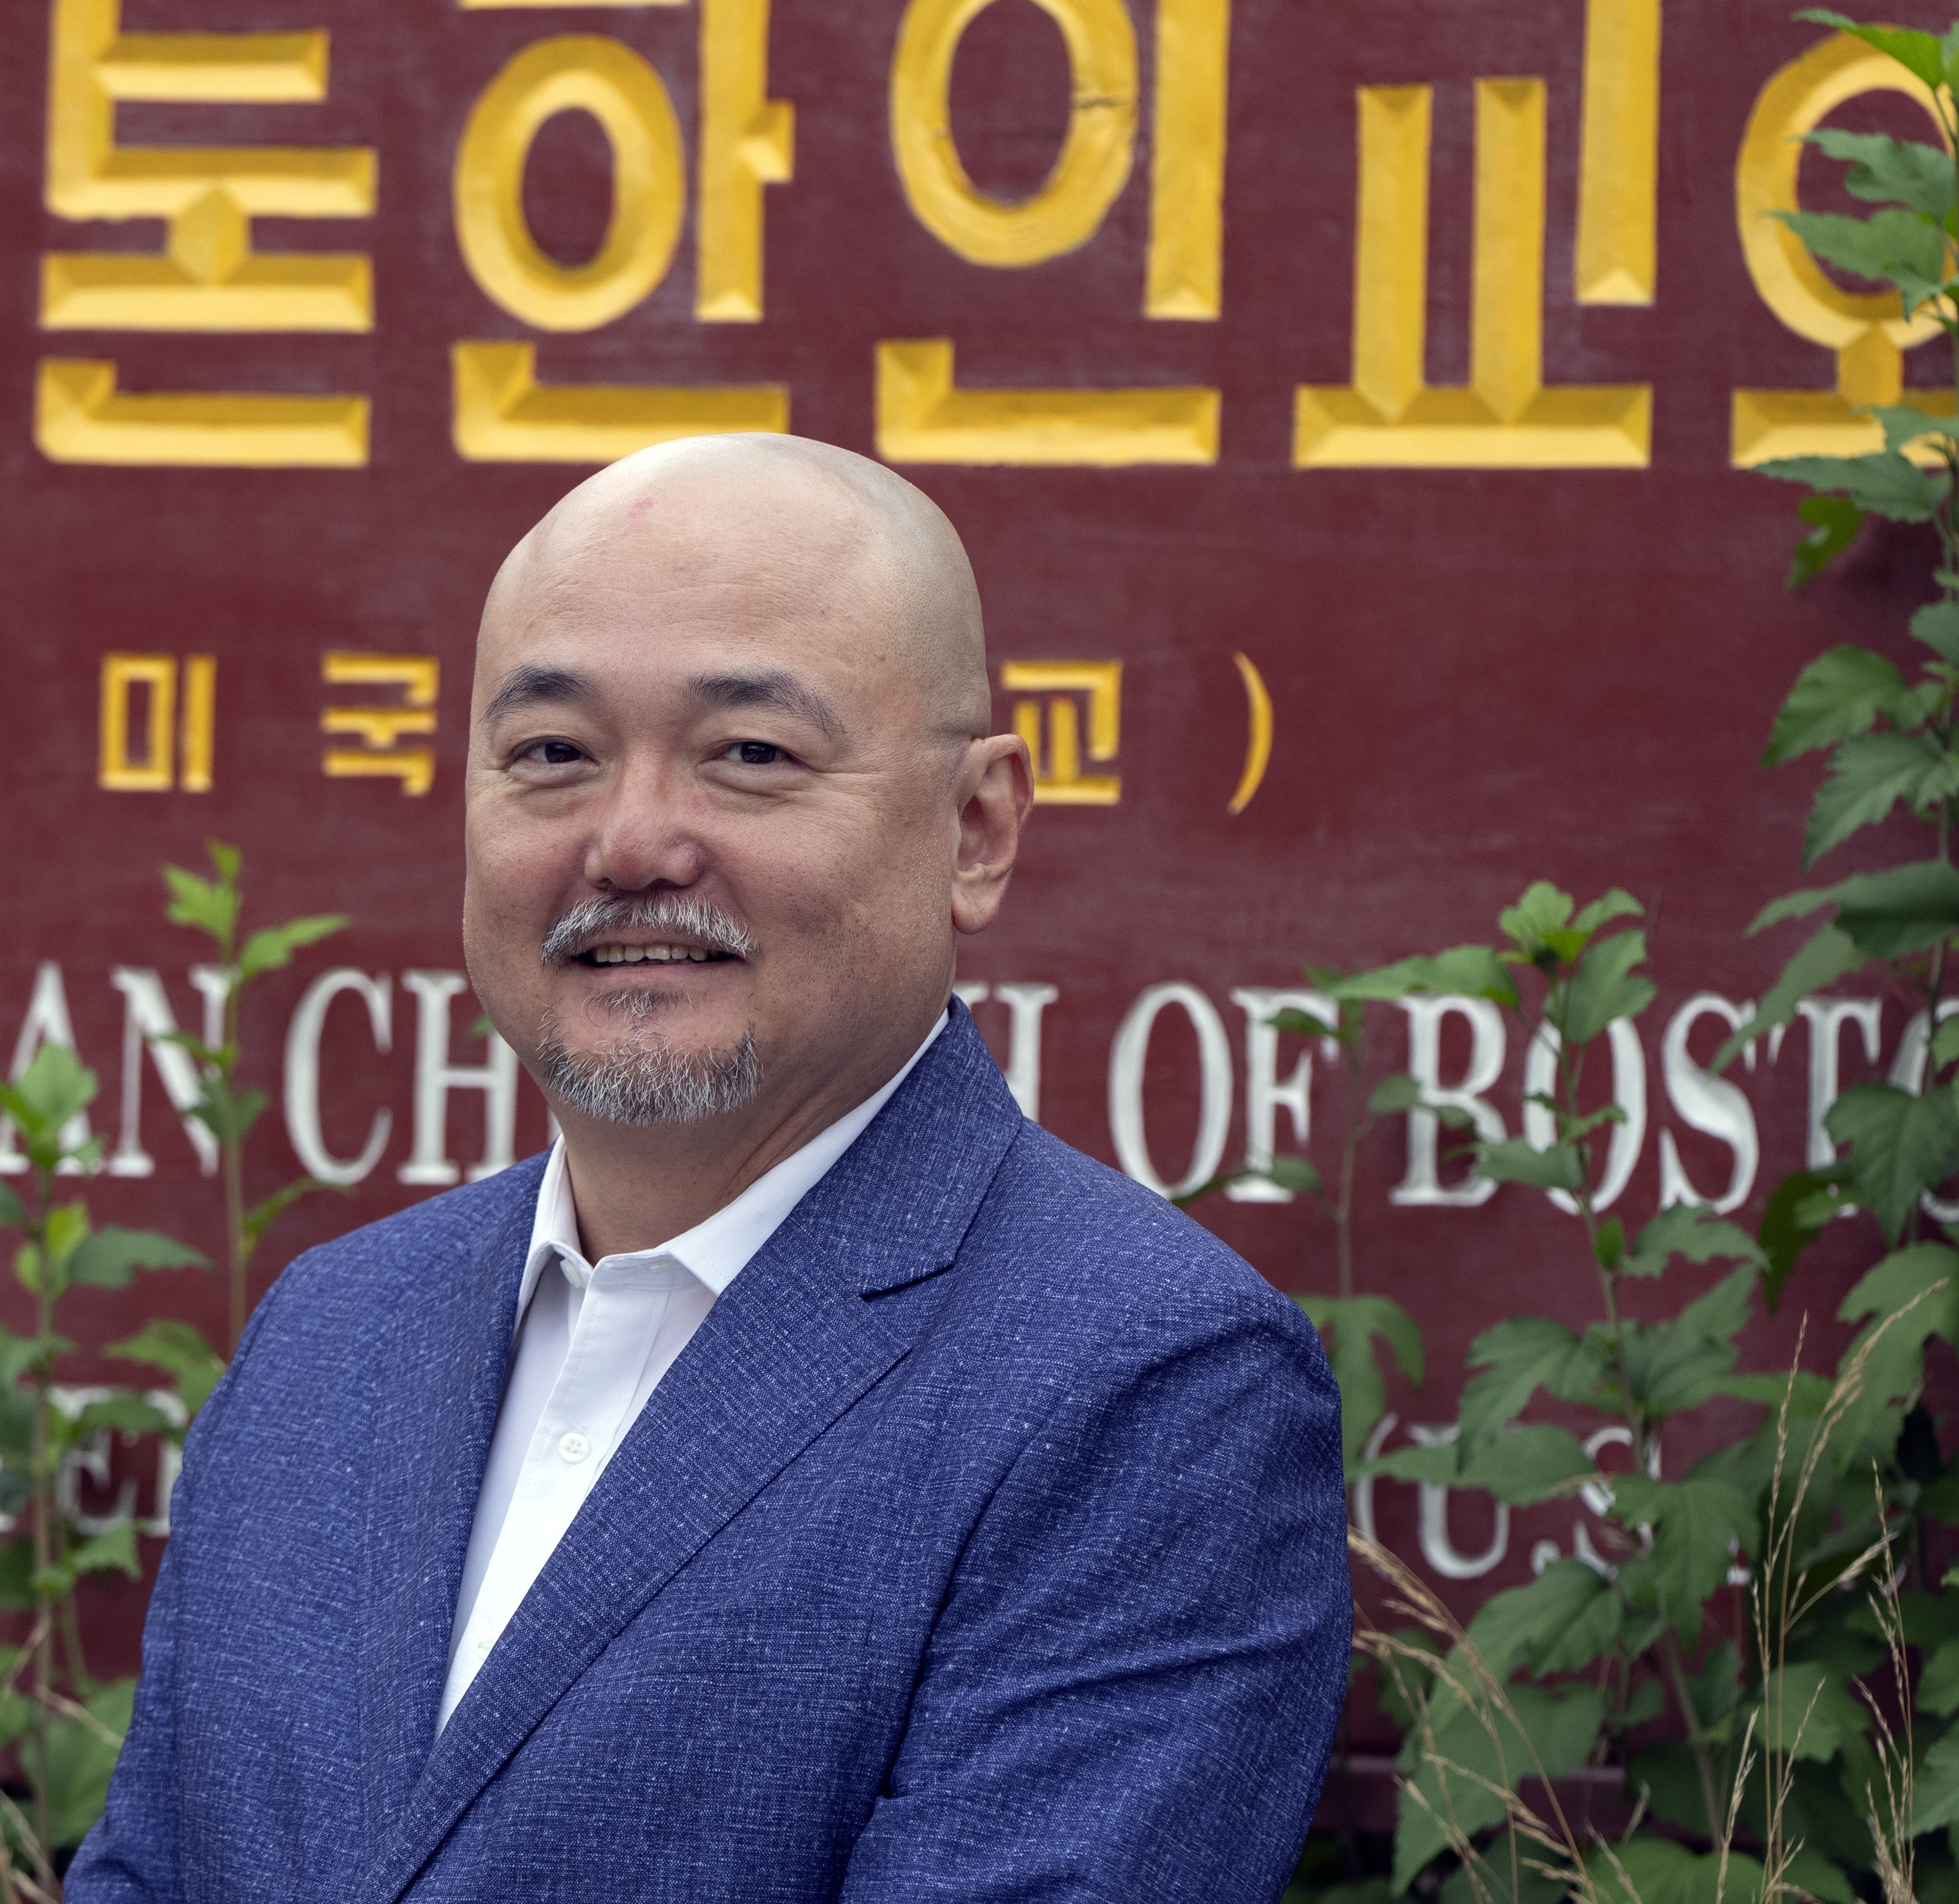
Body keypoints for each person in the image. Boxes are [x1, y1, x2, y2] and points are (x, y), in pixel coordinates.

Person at [69, 434, 1352, 1902]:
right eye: (552, 755)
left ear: (976, 830)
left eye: (748, 755)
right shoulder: (332, 1333)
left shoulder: (1142, 1382)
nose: (629, 844)